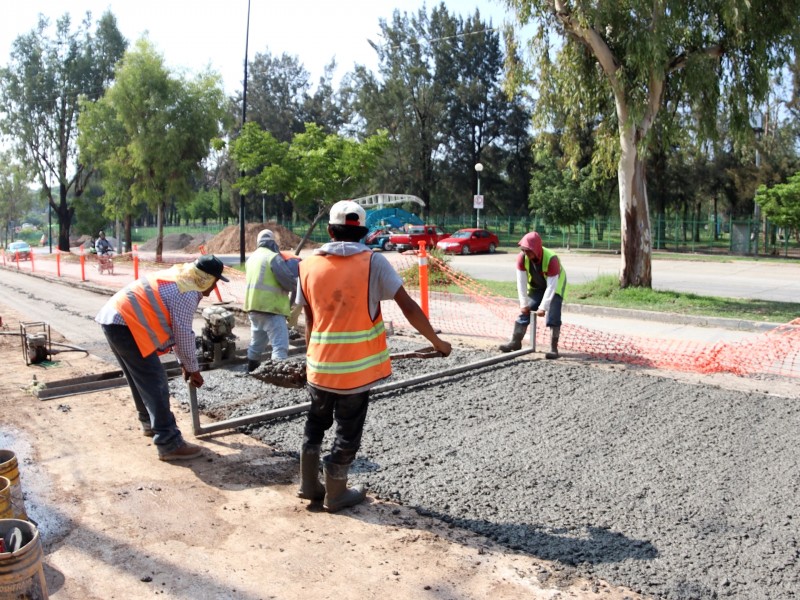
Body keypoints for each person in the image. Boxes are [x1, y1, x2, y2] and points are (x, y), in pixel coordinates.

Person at [295, 200, 452, 513]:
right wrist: (437, 342)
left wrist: (311, 359)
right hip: (355, 372)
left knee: (315, 422)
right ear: (365, 233)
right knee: (346, 431)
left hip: (319, 367)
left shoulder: (307, 265)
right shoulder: (373, 262)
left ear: (329, 230)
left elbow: (309, 318)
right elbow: (407, 306)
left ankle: (309, 485)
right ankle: (336, 494)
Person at [95, 255, 229, 461]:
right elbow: (183, 334)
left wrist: (183, 363)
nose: (213, 289)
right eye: (215, 282)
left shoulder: (180, 277)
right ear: (207, 279)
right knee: (155, 380)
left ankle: (150, 422)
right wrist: (192, 368)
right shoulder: (187, 293)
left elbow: (174, 333)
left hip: (114, 319)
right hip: (124, 324)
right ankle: (169, 443)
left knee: (139, 378)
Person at [499, 231, 566, 359]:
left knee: (553, 313)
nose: (526, 254)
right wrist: (523, 304)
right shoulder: (521, 258)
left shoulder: (552, 259)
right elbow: (521, 282)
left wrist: (543, 307)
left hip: (555, 287)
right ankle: (515, 341)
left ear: (536, 249)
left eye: (528, 251)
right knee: (525, 311)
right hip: (536, 287)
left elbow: (551, 286)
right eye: (524, 250)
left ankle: (553, 348)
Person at [243, 229, 300, 372]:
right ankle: (278, 374)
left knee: (257, 342)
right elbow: (288, 282)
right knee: (280, 345)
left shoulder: (251, 259)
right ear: (273, 243)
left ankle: (251, 369)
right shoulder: (273, 257)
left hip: (253, 307)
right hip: (272, 308)